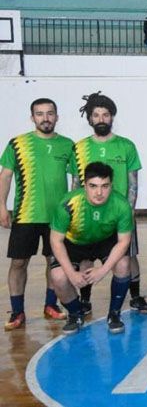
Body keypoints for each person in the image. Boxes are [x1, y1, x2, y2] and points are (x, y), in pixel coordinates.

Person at [71, 92, 147, 315]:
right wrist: (74, 214)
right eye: (96, 115)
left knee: (129, 256)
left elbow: (133, 182)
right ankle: (85, 300)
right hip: (87, 215)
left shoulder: (126, 146)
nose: (101, 119)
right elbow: (76, 184)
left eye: (106, 114)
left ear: (112, 117)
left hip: (120, 214)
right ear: (90, 119)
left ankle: (135, 296)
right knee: (86, 258)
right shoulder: (79, 148)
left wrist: (130, 211)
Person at [1, 98, 74, 330]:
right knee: (19, 263)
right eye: (40, 114)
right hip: (26, 215)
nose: (45, 118)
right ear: (32, 117)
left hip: (58, 218)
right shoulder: (18, 144)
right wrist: (1, 206)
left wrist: (72, 209)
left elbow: (76, 181)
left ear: (57, 116)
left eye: (50, 113)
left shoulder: (68, 145)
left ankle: (51, 305)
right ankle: (17, 312)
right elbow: (5, 175)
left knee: (55, 263)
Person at [49, 162, 133, 335]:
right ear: (84, 185)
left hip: (104, 240)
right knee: (58, 277)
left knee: (124, 264)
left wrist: (102, 270)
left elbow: (124, 241)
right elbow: (56, 240)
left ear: (111, 185)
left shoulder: (121, 205)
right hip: (74, 242)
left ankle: (114, 314)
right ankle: (75, 313)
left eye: (105, 186)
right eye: (93, 186)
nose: (99, 192)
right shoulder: (68, 204)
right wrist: (71, 274)